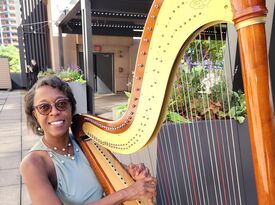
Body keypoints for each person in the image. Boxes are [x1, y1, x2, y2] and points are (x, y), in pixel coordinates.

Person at [20, 75, 157, 205]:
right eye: (44, 107)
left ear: (71, 108)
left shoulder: (85, 140)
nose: (54, 111)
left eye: (61, 104)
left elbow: (120, 172)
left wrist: (134, 173)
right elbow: (128, 192)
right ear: (35, 114)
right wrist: (128, 192)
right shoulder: (33, 164)